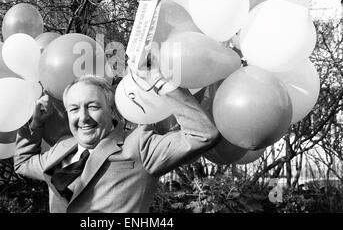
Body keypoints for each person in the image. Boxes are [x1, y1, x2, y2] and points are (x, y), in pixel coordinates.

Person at [14, 64, 219, 213]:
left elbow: (203, 134)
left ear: (110, 110)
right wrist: (36, 123)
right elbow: (23, 163)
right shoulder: (61, 147)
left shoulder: (139, 145)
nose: (83, 117)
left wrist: (160, 81)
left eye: (93, 106)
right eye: (74, 109)